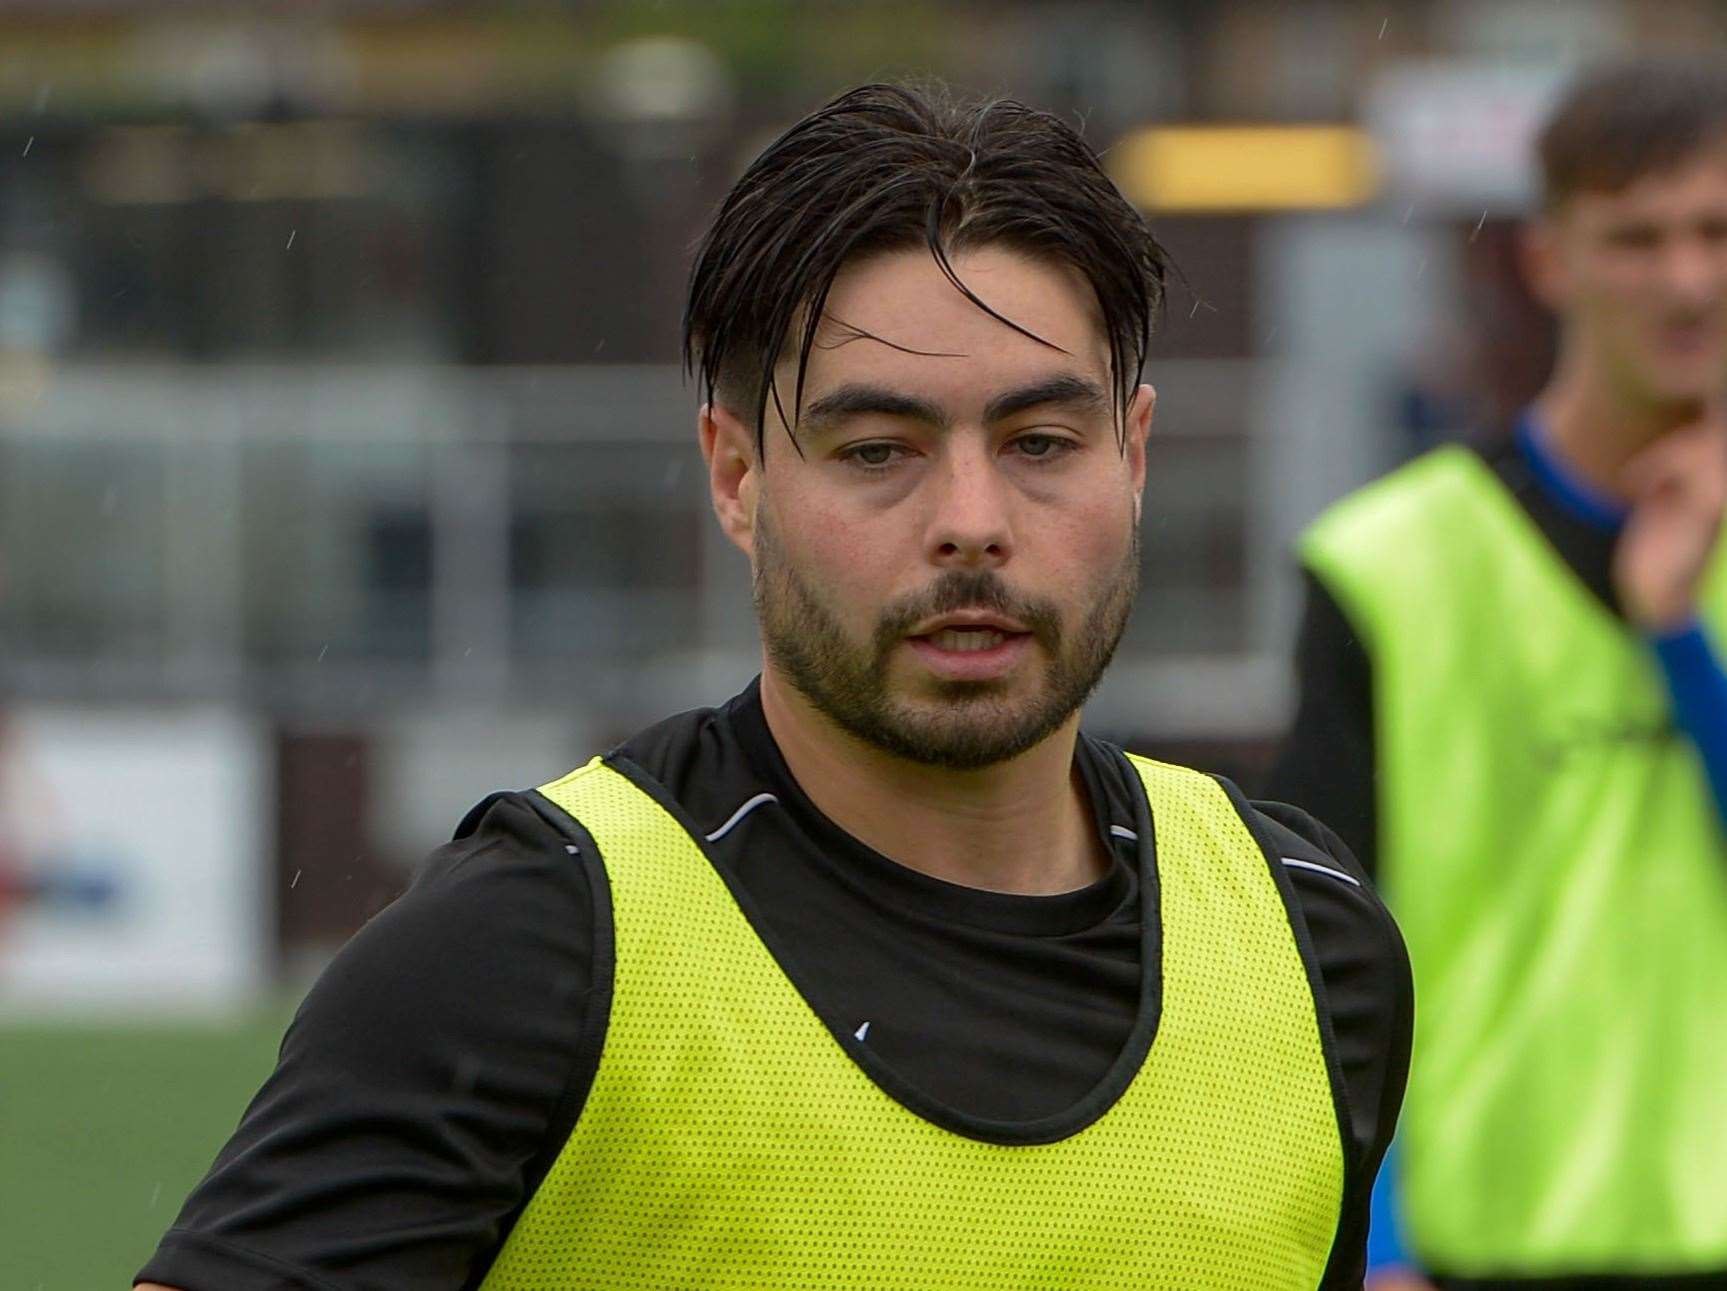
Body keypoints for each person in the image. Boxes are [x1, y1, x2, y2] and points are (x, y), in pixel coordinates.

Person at [138, 83, 1411, 1291]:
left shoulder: (1314, 948)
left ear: (1132, 458)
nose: (971, 521)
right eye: (876, 449)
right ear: (737, 479)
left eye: (1038, 442)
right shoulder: (529, 947)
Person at [1268, 58, 1727, 1291]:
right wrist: (1373, 1236)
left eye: (1713, 232)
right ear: (1547, 260)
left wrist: (1674, 634)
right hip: (1468, 1256)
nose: (1685, 279)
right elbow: (1315, 952)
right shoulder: (1383, 563)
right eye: (1635, 238)